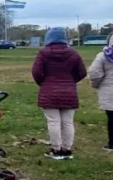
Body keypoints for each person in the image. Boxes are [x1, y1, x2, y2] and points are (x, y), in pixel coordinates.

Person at [32, 27, 86, 160]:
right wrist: (71, 81)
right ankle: (67, 149)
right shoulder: (73, 53)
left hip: (49, 91)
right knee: (68, 122)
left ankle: (56, 150)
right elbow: (82, 72)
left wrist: (43, 82)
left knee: (53, 122)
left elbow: (36, 72)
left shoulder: (43, 53)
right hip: (69, 92)